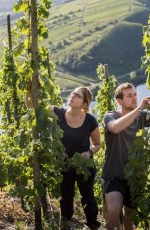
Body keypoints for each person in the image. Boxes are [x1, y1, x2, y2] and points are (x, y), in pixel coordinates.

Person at [102, 83, 150, 230]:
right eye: (129, 96)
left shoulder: (142, 117)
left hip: (135, 176)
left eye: (135, 94)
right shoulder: (111, 116)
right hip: (114, 174)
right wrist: (140, 109)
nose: (134, 98)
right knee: (113, 210)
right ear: (119, 101)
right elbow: (116, 128)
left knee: (130, 221)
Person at [51, 87, 102, 230]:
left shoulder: (90, 120)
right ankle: (66, 222)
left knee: (88, 197)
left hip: (84, 165)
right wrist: (30, 89)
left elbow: (98, 144)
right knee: (66, 197)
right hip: (65, 165)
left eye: (77, 96)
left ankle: (92, 224)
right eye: (73, 93)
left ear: (84, 104)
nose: (72, 96)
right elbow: (34, 105)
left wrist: (90, 153)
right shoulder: (58, 113)